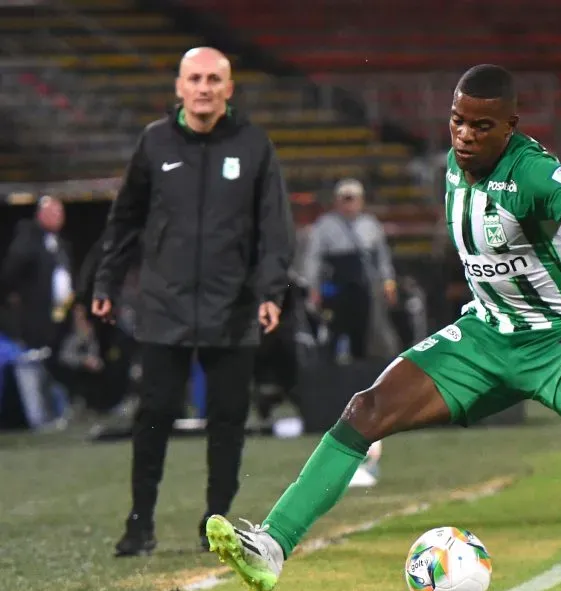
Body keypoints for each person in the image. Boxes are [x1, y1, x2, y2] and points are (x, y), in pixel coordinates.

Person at [206, 63, 561, 591]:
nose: (465, 134)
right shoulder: (456, 163)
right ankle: (272, 544)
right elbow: (542, 233)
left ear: (510, 125)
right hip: (483, 334)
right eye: (458, 121)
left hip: (555, 337)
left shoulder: (532, 169)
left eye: (482, 126)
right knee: (367, 409)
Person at [92, 47, 294, 556]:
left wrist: (271, 291)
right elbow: (125, 220)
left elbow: (275, 228)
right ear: (179, 87)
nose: (203, 88)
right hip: (165, 306)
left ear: (229, 89)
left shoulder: (254, 145)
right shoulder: (154, 143)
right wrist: (106, 283)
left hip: (235, 307)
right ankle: (139, 525)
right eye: (194, 78)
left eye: (213, 79)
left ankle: (216, 523)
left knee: (228, 420)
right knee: (153, 415)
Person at [1, 196, 74, 428]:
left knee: (53, 368)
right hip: (33, 322)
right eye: (53, 213)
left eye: (60, 213)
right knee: (31, 369)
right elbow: (10, 275)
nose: (58, 218)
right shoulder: (27, 240)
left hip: (58, 319)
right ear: (40, 215)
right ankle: (38, 419)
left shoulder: (60, 245)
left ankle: (54, 414)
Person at [305, 179, 399, 361]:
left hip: (363, 286)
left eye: (353, 199)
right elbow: (313, 259)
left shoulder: (370, 224)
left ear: (361, 200)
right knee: (334, 329)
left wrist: (388, 282)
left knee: (363, 330)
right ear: (336, 201)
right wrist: (313, 288)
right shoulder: (325, 225)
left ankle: (360, 370)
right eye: (345, 199)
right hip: (335, 286)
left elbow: (382, 258)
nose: (349, 204)